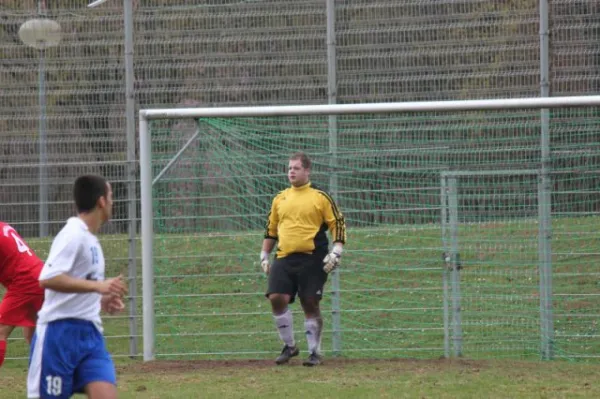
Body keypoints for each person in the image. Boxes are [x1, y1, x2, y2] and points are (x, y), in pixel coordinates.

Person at [27, 175, 127, 399]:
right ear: (101, 201)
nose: (113, 202)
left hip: (90, 334)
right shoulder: (72, 235)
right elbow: (48, 278)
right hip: (58, 334)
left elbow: (83, 286)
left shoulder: (91, 240)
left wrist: (101, 299)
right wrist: (98, 287)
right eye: (110, 196)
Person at [260, 151, 347, 367]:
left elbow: (338, 223)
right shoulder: (280, 198)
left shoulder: (320, 196)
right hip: (284, 257)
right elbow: (271, 229)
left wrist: (336, 251)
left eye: (296, 168)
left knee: (310, 302)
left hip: (312, 258)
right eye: (289, 168)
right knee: (276, 297)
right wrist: (264, 255)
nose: (291, 171)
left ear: (307, 171)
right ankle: (290, 346)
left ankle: (314, 352)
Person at [0, 222, 45, 368]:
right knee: (34, 337)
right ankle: (47, 381)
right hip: (39, 276)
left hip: (25, 282)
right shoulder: (3, 226)